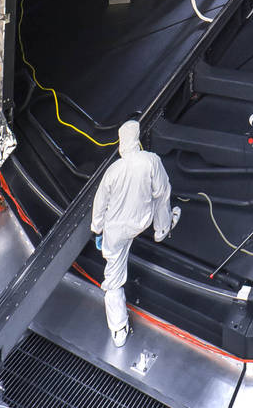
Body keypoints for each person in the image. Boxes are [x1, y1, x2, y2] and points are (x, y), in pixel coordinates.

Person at [90, 119, 181, 346]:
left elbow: (100, 203)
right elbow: (162, 193)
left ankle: (118, 329)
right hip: (143, 221)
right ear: (138, 140)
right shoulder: (151, 160)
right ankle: (161, 231)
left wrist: (97, 229)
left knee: (113, 279)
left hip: (116, 231)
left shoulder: (113, 170)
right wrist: (162, 224)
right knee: (162, 198)